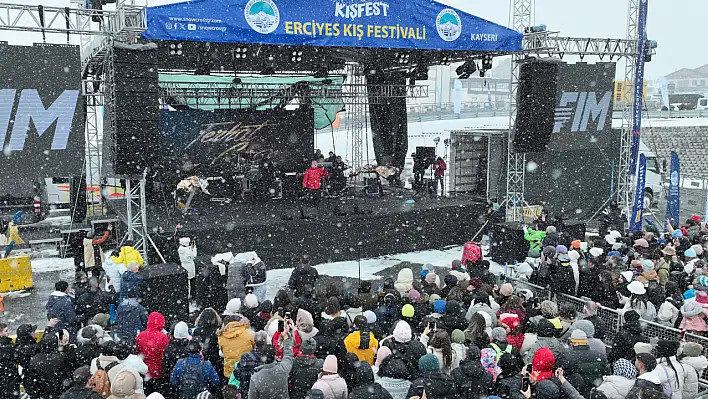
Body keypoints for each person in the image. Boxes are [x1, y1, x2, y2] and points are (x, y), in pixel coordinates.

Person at [248, 322, 294, 399]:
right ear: (275, 357)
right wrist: (286, 337)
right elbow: (288, 355)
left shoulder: (256, 378)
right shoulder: (283, 369)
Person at [556, 329, 609, 396]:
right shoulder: (600, 356)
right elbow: (607, 375)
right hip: (596, 393)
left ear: (574, 343)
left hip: (574, 394)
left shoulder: (565, 357)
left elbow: (559, 376)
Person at [136, 312, 171, 391]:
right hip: (157, 371)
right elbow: (164, 355)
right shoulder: (163, 337)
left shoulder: (140, 336)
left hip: (143, 370)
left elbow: (138, 353)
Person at [232, 331, 268, 399]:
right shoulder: (270, 356)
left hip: (247, 392)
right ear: (266, 342)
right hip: (264, 393)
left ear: (254, 342)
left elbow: (237, 375)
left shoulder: (245, 356)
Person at [218, 315, 255, 380]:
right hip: (247, 370)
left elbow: (222, 352)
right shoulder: (249, 333)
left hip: (230, 373)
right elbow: (255, 350)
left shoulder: (221, 336)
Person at [0, 323, 19, 398]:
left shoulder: (8, 345)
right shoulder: (7, 346)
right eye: (6, 331)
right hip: (9, 378)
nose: (9, 332)